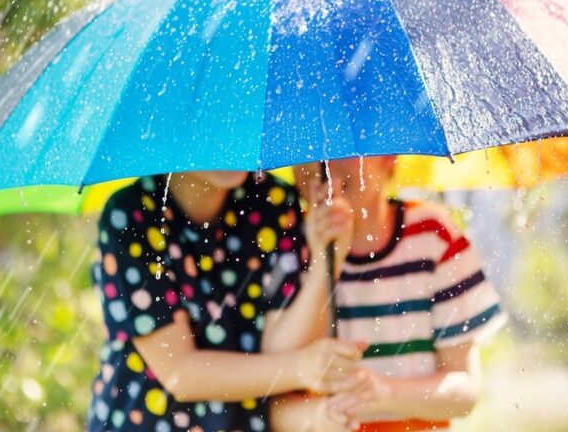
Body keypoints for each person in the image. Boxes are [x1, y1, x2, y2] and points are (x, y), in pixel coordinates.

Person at [87, 170, 365, 432]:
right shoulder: (131, 215)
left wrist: (326, 261)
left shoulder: (272, 199)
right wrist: (300, 368)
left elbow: (280, 349)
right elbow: (180, 373)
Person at [273, 157, 507, 431]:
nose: (324, 165)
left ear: (388, 157)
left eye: (343, 149)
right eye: (310, 148)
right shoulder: (284, 245)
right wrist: (317, 417)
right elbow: (269, 396)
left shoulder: (432, 236)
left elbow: (464, 391)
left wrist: (384, 393)